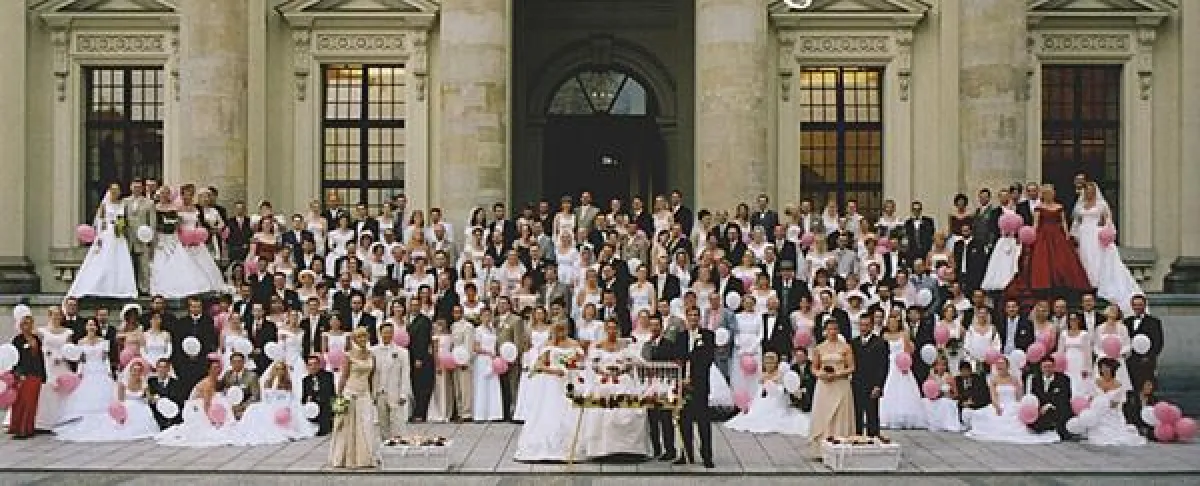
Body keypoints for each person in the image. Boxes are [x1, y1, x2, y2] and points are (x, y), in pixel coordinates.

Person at [580, 319, 652, 459]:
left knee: (628, 411)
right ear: (606, 329)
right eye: (609, 328)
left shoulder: (625, 346)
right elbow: (592, 365)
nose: (612, 331)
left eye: (614, 328)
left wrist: (623, 368)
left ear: (618, 330)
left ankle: (629, 448)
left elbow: (636, 362)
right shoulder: (598, 346)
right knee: (602, 413)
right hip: (604, 382)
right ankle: (601, 449)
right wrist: (604, 371)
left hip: (622, 381)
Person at [513, 320, 584, 462]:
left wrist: (572, 366)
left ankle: (570, 446)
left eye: (563, 329)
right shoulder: (548, 345)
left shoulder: (574, 344)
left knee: (570, 411)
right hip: (552, 382)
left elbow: (581, 362)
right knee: (550, 411)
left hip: (569, 381)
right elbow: (538, 365)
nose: (561, 332)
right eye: (558, 329)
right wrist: (553, 370)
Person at [1006, 185, 1092, 301]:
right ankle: (1043, 284)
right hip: (1043, 236)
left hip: (1058, 236)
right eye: (1047, 193)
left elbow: (1063, 222)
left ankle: (1064, 283)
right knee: (1043, 260)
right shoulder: (1039, 207)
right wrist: (1032, 236)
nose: (1050, 195)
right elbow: (1036, 224)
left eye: (1051, 193)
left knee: (1062, 260)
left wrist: (1067, 235)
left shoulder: (1059, 206)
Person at [1073, 182, 1143, 315]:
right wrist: (1075, 235)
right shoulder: (1080, 205)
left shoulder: (1101, 205)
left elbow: (1108, 220)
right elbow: (1077, 222)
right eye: (1087, 190)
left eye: (1091, 190)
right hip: (1084, 234)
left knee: (1096, 258)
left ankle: (1097, 283)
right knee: (1084, 258)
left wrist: (1106, 232)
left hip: (1095, 234)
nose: (1089, 193)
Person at [55, 358, 159, 442]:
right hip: (127, 405)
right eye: (134, 370)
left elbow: (148, 397)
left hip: (140, 404)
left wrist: (154, 398)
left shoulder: (144, 382)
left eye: (139, 370)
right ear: (131, 370)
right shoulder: (123, 382)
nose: (136, 372)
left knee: (145, 412)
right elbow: (120, 399)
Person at [963, 357, 1059, 444]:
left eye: (1002, 364)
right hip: (999, 404)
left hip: (1013, 404)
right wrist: (997, 406)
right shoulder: (993, 380)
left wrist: (1018, 406)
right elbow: (993, 396)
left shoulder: (1014, 379)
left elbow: (1019, 397)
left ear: (1007, 366)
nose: (999, 366)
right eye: (998, 364)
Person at [68, 182, 138, 298]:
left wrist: (121, 226)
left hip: (119, 235)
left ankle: (121, 288)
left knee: (120, 260)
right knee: (104, 259)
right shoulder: (105, 205)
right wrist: (99, 237)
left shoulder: (122, 204)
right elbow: (100, 221)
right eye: (113, 191)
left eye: (117, 191)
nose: (115, 193)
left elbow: (125, 218)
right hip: (107, 233)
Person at [156, 358, 238, 447]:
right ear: (209, 369)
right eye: (214, 368)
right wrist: (211, 420)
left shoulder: (215, 381)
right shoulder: (208, 383)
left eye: (218, 368)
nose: (217, 370)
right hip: (197, 408)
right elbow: (206, 403)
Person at [725, 351, 810, 435]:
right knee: (755, 414)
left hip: (777, 400)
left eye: (771, 362)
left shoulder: (780, 373)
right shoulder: (763, 374)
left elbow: (783, 388)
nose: (769, 364)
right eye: (767, 362)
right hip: (763, 399)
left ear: (776, 362)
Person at [329, 327, 380, 469]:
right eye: (359, 337)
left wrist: (373, 392)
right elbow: (343, 377)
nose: (363, 339)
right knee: (348, 426)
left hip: (365, 393)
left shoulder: (371, 355)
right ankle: (347, 458)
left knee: (366, 424)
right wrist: (339, 396)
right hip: (350, 392)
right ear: (355, 339)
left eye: (364, 336)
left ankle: (365, 457)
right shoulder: (348, 356)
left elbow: (372, 376)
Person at [807, 318, 856, 457]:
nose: (832, 332)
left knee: (840, 415)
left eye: (835, 329)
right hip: (824, 385)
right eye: (830, 329)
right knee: (823, 414)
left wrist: (839, 373)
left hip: (841, 384)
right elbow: (814, 368)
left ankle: (841, 447)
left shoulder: (846, 347)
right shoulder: (819, 348)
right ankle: (821, 449)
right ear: (825, 331)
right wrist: (821, 374)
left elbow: (852, 367)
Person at [674, 306, 715, 468]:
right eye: (690, 315)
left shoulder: (708, 336)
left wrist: (693, 373)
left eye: (695, 315)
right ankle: (685, 453)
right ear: (686, 317)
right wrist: (682, 378)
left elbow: (708, 358)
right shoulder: (681, 336)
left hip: (700, 384)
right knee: (684, 420)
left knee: (703, 421)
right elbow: (677, 356)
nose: (693, 318)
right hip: (682, 384)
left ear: (699, 317)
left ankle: (707, 455)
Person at [58, 319, 118, 424]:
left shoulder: (103, 341)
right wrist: (79, 373)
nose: (91, 327)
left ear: (96, 327)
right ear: (86, 327)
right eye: (89, 325)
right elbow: (81, 360)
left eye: (93, 325)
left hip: (101, 370)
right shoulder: (81, 342)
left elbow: (105, 359)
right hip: (87, 370)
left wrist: (109, 372)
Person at [1077, 358, 1146, 446]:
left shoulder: (1119, 385)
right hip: (1096, 413)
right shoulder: (1095, 382)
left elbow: (1117, 404)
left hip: (1111, 413)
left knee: (1116, 435)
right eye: (1102, 368)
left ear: (1112, 369)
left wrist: (1104, 404)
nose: (1104, 370)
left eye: (1106, 368)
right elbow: (1089, 396)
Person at [878, 314, 926, 430]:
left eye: (894, 322)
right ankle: (889, 416)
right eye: (890, 323)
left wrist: (905, 363)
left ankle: (907, 416)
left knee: (905, 389)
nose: (892, 325)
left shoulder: (904, 334)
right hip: (891, 364)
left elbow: (908, 350)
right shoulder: (884, 335)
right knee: (890, 389)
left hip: (902, 363)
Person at [641, 315, 677, 461]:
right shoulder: (647, 345)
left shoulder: (669, 344)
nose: (654, 328)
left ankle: (670, 449)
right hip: (650, 385)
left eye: (657, 325)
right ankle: (656, 448)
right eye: (652, 325)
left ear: (661, 327)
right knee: (652, 418)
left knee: (666, 418)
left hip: (664, 384)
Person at [8, 311, 46, 439]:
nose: (27, 326)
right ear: (20, 325)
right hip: (23, 375)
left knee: (32, 403)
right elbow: (14, 359)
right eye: (24, 324)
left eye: (30, 323)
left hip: (36, 374)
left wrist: (43, 374)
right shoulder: (17, 340)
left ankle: (29, 428)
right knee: (21, 403)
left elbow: (41, 358)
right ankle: (20, 429)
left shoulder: (36, 339)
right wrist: (18, 373)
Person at [850, 315, 888, 437]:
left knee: (872, 414)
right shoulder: (853, 342)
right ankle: (858, 438)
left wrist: (878, 385)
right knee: (857, 414)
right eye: (861, 325)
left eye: (866, 325)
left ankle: (874, 440)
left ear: (871, 326)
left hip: (872, 384)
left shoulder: (880, 343)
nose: (863, 328)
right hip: (856, 384)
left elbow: (883, 366)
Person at [372, 323, 412, 438]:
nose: (387, 335)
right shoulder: (373, 351)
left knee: (398, 422)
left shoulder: (402, 352)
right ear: (380, 333)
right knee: (382, 423)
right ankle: (385, 444)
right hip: (380, 392)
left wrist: (404, 394)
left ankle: (399, 444)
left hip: (395, 391)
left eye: (389, 332)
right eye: (384, 332)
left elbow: (405, 374)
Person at [1027, 355, 1072, 440]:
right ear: (1041, 368)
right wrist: (1040, 408)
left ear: (1054, 367)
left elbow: (1066, 396)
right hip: (1041, 409)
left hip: (1057, 407)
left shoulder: (1064, 379)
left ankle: (1057, 427)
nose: (1047, 369)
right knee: (1035, 426)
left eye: (1050, 366)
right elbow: (1034, 396)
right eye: (1045, 367)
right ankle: (1049, 426)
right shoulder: (1035, 379)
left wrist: (1049, 405)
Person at [1124, 295, 1163, 393]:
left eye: (1140, 305)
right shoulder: (1126, 322)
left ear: (1144, 305)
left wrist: (1149, 357)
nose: (1137, 307)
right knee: (1131, 388)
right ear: (1132, 306)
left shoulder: (1154, 322)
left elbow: (1158, 342)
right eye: (1135, 305)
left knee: (1147, 388)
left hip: (1147, 362)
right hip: (1130, 361)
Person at [471, 309, 503, 422]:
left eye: (489, 315)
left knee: (493, 385)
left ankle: (494, 413)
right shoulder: (478, 330)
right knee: (482, 385)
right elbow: (475, 347)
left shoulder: (493, 330)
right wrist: (488, 352)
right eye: (484, 315)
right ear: (480, 317)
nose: (487, 317)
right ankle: (480, 414)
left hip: (493, 360)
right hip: (482, 360)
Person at [924, 355, 963, 432]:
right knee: (924, 401)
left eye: (944, 365)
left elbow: (955, 394)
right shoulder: (931, 376)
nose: (941, 367)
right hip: (933, 399)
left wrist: (949, 392)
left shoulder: (949, 377)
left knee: (944, 402)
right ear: (935, 366)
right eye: (939, 365)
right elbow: (927, 390)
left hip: (946, 399)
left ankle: (945, 424)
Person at [218, 352, 261, 421]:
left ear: (244, 363)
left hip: (246, 408)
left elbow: (256, 397)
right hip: (230, 407)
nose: (237, 364)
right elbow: (220, 388)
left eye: (239, 361)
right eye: (234, 362)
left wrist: (242, 407)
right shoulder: (228, 374)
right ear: (231, 363)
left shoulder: (252, 376)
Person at [301, 355, 335, 436]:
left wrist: (316, 398)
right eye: (310, 365)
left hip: (325, 403)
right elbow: (304, 397)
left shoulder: (327, 376)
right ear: (307, 367)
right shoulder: (306, 380)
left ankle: (326, 425)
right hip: (312, 407)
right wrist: (306, 401)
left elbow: (328, 392)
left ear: (319, 365)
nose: (313, 367)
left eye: (315, 364)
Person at [147, 358, 185, 430]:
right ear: (156, 368)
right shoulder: (151, 381)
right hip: (156, 417)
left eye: (165, 367)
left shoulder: (176, 383)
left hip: (173, 418)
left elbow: (179, 401)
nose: (162, 369)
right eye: (160, 367)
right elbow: (148, 398)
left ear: (168, 369)